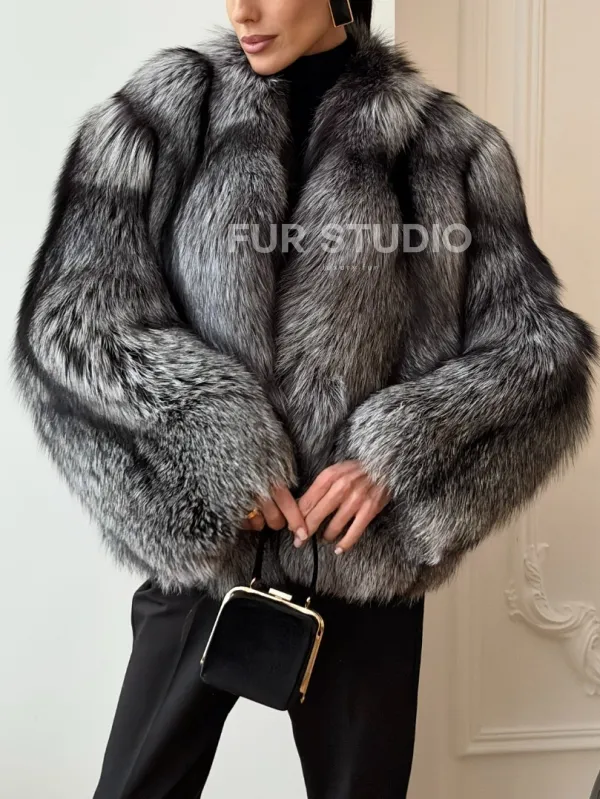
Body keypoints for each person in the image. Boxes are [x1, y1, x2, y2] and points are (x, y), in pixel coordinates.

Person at [11, 0, 598, 797]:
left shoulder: (452, 151)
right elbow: (73, 320)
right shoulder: (164, 117)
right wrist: (216, 445)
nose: (242, 10)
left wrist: (399, 452)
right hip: (209, 552)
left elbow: (537, 356)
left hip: (364, 561)